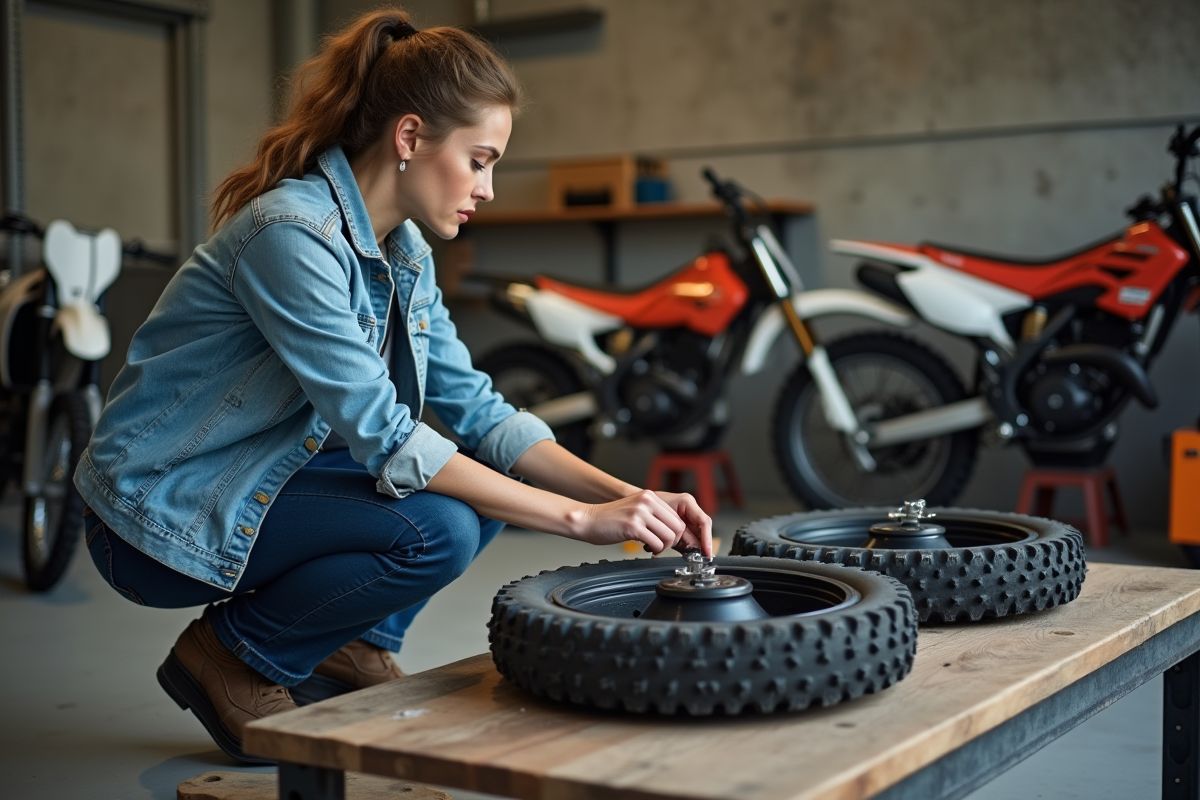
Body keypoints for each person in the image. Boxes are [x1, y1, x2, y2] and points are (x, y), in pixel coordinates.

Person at [74, 8, 711, 764]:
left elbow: (479, 412)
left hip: (257, 470)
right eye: (479, 160)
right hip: (158, 511)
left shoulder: (402, 251)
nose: (490, 188)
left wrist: (630, 501)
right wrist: (578, 520)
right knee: (436, 527)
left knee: (482, 481)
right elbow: (383, 433)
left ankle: (349, 644)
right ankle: (233, 656)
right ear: (409, 139)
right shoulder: (291, 234)